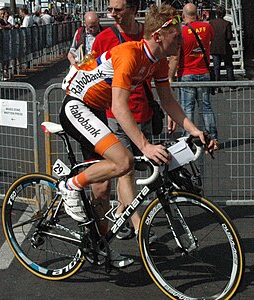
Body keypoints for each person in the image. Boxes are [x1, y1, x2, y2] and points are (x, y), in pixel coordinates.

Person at [59, 3, 215, 268]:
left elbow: (168, 101)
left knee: (102, 188)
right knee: (124, 162)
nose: (181, 40)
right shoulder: (130, 54)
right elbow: (119, 105)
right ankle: (70, 185)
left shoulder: (158, 60)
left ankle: (101, 246)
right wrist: (145, 145)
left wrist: (196, 130)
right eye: (176, 36)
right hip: (77, 105)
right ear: (158, 36)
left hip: (97, 108)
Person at [90, 0, 153, 240]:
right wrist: (77, 65)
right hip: (114, 113)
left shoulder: (147, 35)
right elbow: (90, 65)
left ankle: (121, 212)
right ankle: (139, 226)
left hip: (143, 109)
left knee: (132, 170)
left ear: (133, 10)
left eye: (118, 9)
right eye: (110, 9)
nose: (112, 14)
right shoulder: (105, 37)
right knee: (126, 169)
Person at [169, 3, 219, 148]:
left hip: (187, 73)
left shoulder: (182, 32)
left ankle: (187, 140)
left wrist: (170, 77)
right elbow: (210, 39)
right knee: (206, 107)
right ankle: (213, 139)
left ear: (183, 15)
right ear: (196, 14)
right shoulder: (207, 27)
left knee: (187, 108)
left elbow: (175, 57)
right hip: (203, 71)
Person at [210, 6, 235, 84]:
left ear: (216, 14)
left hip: (215, 47)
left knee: (216, 67)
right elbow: (229, 37)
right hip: (225, 47)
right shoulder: (227, 23)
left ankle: (217, 85)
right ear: (224, 14)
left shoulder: (211, 23)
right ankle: (231, 84)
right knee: (229, 66)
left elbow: (210, 35)